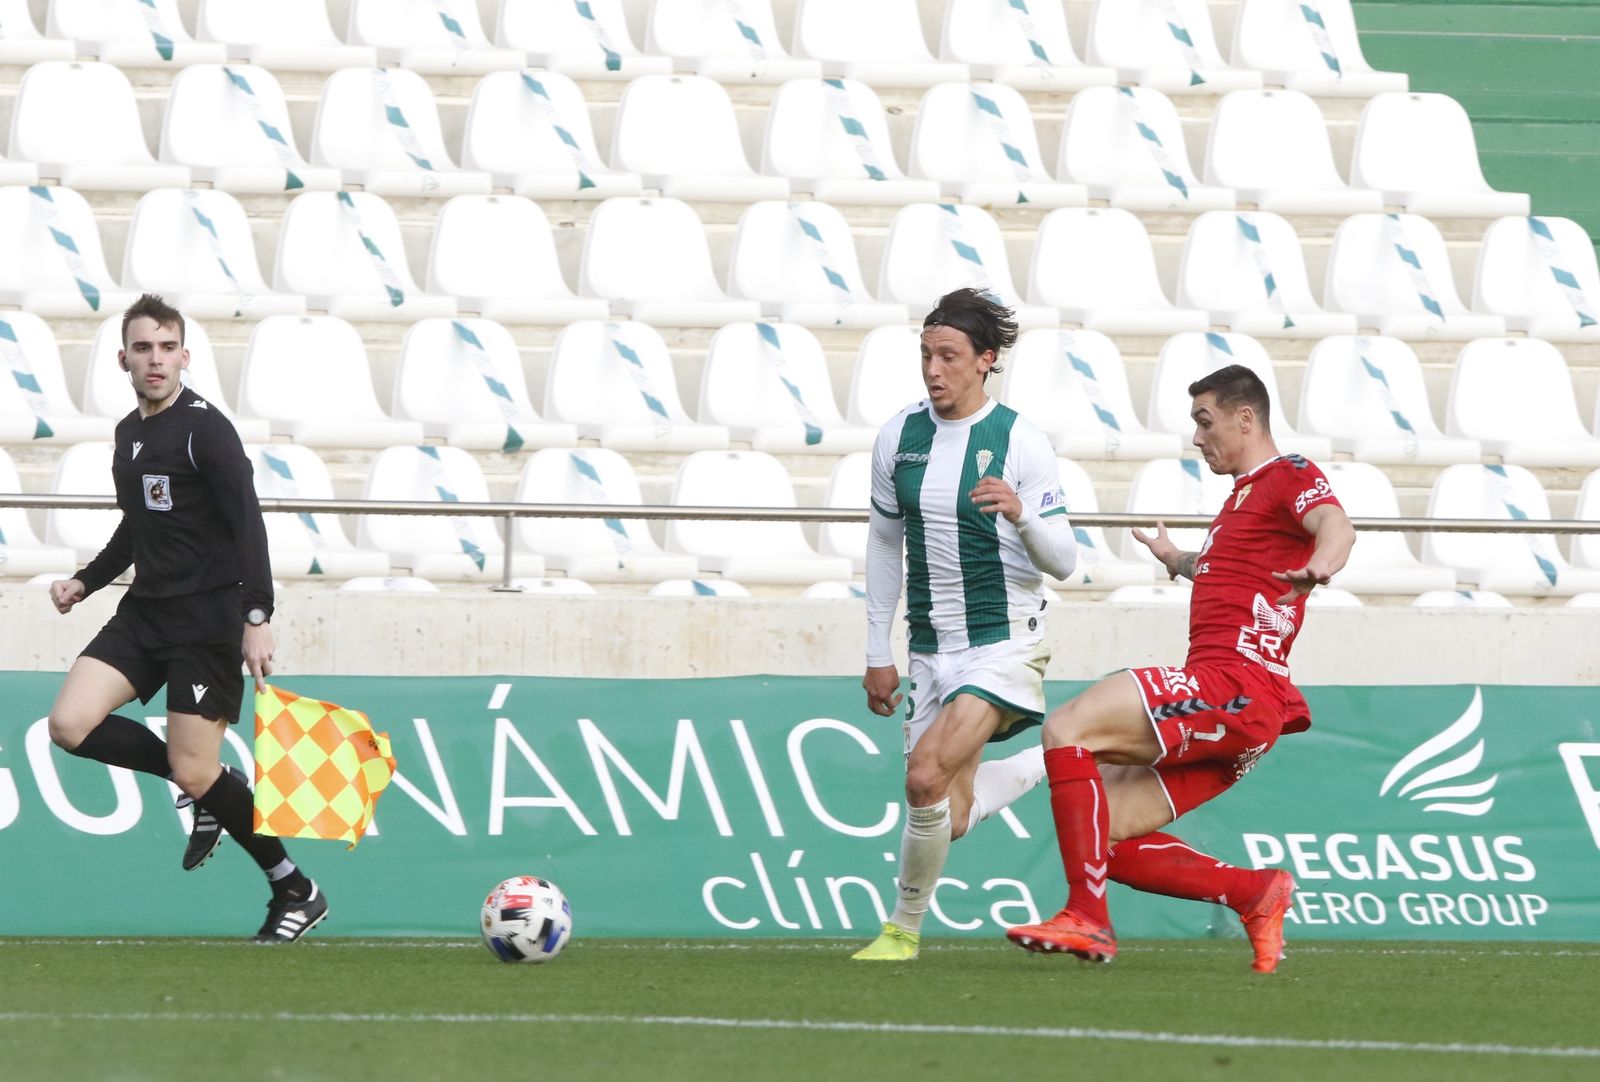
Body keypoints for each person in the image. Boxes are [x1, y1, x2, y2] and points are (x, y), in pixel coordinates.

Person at [1004, 364, 1355, 972]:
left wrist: (1321, 566)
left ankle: (1087, 918)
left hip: (1232, 686)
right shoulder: (1242, 500)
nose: (1197, 437)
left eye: (1205, 420)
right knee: (1099, 832)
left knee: (1066, 728)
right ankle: (1255, 892)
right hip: (1242, 709)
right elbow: (1236, 575)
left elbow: (1338, 526)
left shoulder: (1289, 474)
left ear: (1246, 418)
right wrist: (1179, 559)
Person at [45, 293, 328, 943]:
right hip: (145, 614)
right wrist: (86, 581)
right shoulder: (129, 434)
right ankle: (196, 786)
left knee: (202, 770)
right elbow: (135, 527)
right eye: (143, 348)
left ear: (185, 356)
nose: (155, 360)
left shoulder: (206, 430)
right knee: (69, 723)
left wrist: (257, 615)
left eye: (167, 348)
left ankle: (294, 886)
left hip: (208, 621)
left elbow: (247, 522)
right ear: (123, 357)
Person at [852, 288, 1080, 961]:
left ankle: (901, 931)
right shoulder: (899, 436)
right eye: (926, 354)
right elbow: (883, 545)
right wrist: (877, 650)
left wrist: (1020, 514)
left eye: (948, 355)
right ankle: (1040, 763)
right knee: (945, 815)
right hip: (929, 649)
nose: (933, 369)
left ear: (985, 360)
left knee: (923, 777)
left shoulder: (1019, 441)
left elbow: (1064, 561)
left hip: (1004, 644)